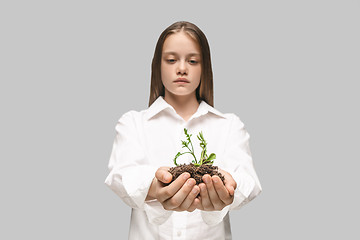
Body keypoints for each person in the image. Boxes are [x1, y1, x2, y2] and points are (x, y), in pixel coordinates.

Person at [105, 21, 262, 240]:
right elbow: (120, 176)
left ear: (204, 67)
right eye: (171, 60)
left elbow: (249, 182)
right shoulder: (133, 123)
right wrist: (154, 187)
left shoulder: (229, 125)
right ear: (157, 66)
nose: (181, 68)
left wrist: (228, 187)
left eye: (192, 61)